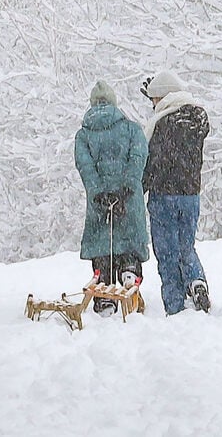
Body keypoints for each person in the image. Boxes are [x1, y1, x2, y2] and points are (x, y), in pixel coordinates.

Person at [74, 81, 150, 316]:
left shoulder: (83, 135)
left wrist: (100, 194)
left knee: (102, 248)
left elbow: (85, 167)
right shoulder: (131, 129)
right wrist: (125, 189)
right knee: (128, 244)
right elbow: (138, 158)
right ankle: (129, 272)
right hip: (128, 202)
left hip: (99, 205)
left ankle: (104, 294)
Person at [140, 71, 211, 315]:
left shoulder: (162, 124)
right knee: (186, 246)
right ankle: (196, 280)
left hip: (164, 196)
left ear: (164, 98)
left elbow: (154, 162)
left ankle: (176, 307)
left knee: (167, 253)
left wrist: (140, 188)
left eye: (155, 99)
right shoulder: (198, 119)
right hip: (191, 195)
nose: (153, 105)